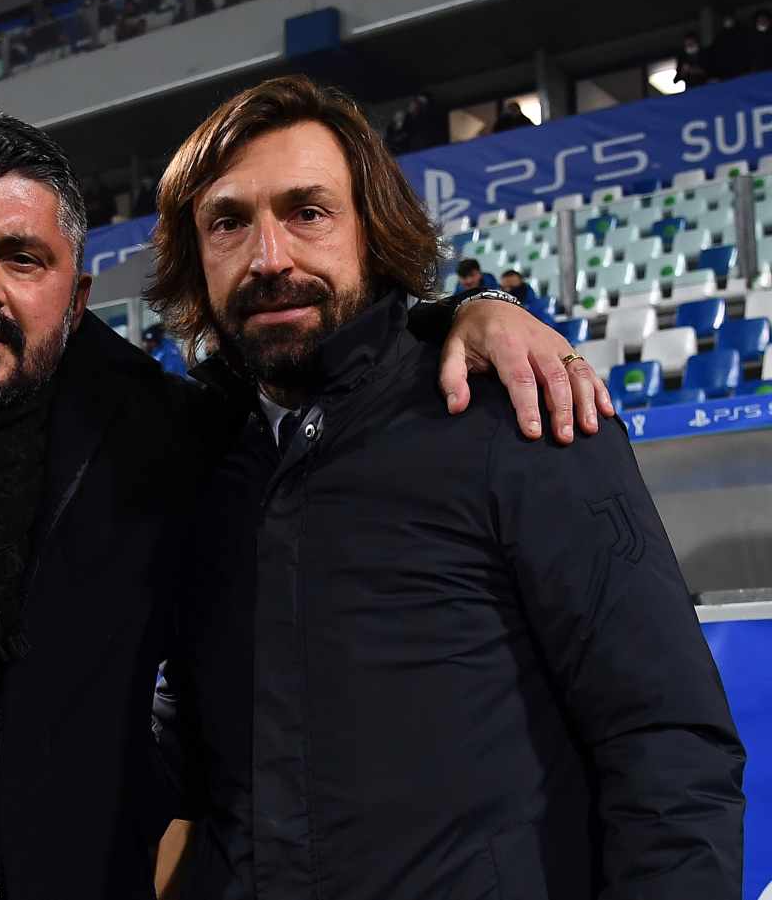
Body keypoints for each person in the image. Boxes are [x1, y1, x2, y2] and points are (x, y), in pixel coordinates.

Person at [0, 111, 608, 900]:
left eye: (20, 256)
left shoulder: (165, 440)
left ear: (75, 294)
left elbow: (316, 357)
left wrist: (466, 311)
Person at [150, 75, 745, 899]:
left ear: (371, 231)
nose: (269, 257)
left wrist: (479, 304)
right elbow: (195, 746)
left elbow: (667, 743)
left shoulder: (518, 409)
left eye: (308, 211)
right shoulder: (199, 463)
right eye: (228, 222)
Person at [710, 12, 748, 81]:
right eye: (726, 19)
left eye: (729, 18)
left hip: (742, 71)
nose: (728, 21)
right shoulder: (719, 38)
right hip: (726, 74)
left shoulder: (742, 33)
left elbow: (746, 51)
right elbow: (716, 56)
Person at [752, 9, 772, 73]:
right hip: (759, 71)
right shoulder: (752, 38)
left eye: (764, 20)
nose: (762, 22)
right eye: (760, 20)